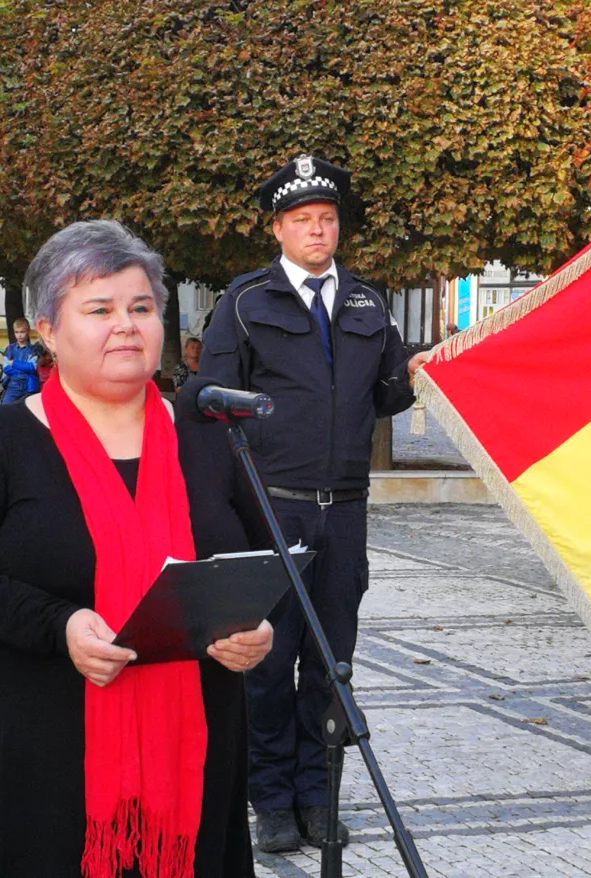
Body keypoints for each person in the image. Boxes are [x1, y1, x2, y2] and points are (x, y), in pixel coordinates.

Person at [0, 220, 274, 877]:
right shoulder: (2, 442)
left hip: (193, 757)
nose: (127, 325)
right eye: (99, 309)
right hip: (48, 758)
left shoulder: (208, 438)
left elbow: (262, 562)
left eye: (141, 307)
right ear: (47, 329)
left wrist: (257, 627)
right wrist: (60, 623)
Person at [199, 154, 427, 852]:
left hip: (345, 511)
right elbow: (210, 405)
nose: (318, 231)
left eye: (327, 220)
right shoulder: (245, 303)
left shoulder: (367, 302)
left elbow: (387, 395)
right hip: (272, 510)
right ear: (278, 228)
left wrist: (422, 372)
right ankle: (269, 799)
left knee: (333, 664)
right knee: (269, 663)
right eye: (303, 220)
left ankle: (317, 794)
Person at [0, 317, 41, 404]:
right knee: (5, 410)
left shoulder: (33, 349)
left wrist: (14, 363)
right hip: (13, 385)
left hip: (28, 386)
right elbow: (6, 368)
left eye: (22, 332)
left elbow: (32, 367)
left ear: (28, 331)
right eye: (17, 332)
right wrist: (24, 369)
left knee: (27, 413)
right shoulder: (10, 349)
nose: (19, 335)